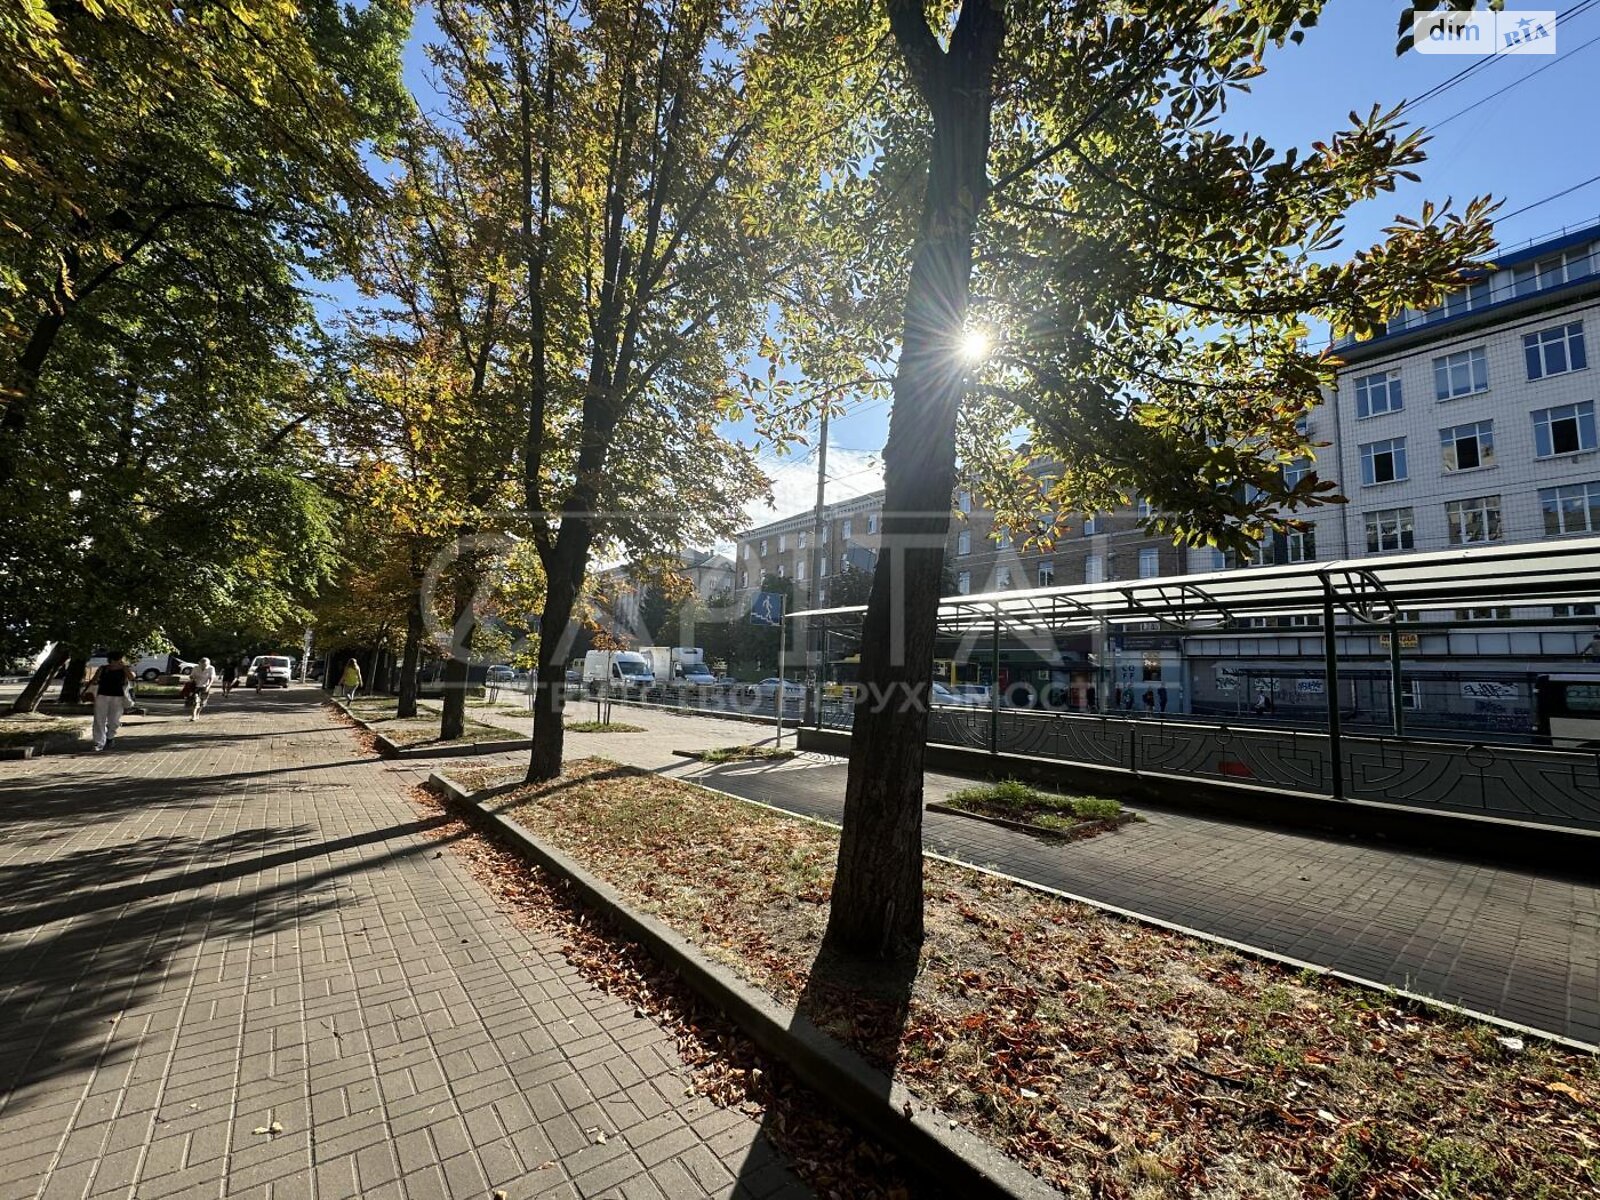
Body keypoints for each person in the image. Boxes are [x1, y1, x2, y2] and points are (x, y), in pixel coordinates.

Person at [83, 652, 134, 752]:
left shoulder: (124, 669)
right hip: (102, 696)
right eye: (116, 660)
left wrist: (125, 668)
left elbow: (132, 678)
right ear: (111, 660)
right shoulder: (103, 668)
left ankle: (110, 736)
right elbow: (94, 680)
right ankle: (98, 742)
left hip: (118, 697)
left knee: (114, 720)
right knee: (99, 719)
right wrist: (87, 690)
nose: (117, 662)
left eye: (120, 660)